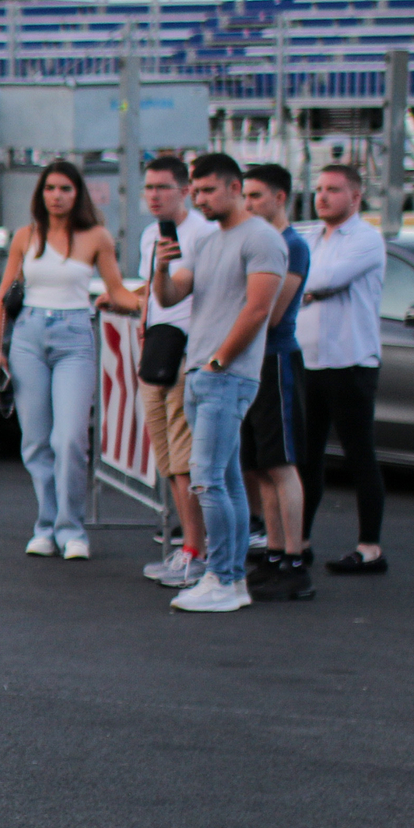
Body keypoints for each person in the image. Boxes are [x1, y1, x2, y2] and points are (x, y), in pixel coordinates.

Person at [0, 159, 142, 559]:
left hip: (74, 335)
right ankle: (45, 524)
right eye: (51, 188)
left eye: (65, 189)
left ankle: (72, 528)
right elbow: (5, 296)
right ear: (41, 193)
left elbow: (117, 290)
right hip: (28, 337)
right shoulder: (25, 236)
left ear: (78, 194)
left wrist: (151, 302)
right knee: (36, 440)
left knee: (70, 437)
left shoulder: (96, 237)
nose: (57, 196)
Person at [152, 154, 286, 613]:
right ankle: (226, 579)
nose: (201, 198)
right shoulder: (209, 243)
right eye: (197, 189)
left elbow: (257, 309)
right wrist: (161, 268)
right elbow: (170, 296)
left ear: (234, 187)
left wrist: (218, 361)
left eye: (209, 190)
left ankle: (224, 579)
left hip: (225, 376)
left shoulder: (263, 239)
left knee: (207, 479)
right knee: (222, 480)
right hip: (201, 375)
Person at [131, 155, 220, 588]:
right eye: (148, 187)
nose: (153, 195)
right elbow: (152, 292)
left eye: (162, 187)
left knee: (185, 460)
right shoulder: (151, 234)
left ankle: (196, 551)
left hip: (189, 350)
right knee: (166, 457)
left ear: (185, 191)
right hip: (155, 349)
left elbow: (178, 293)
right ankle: (186, 547)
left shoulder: (204, 234)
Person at [295, 163, 388, 576]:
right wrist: (306, 287)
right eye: (318, 189)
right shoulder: (309, 236)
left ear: (355, 195)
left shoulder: (367, 238)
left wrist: (305, 285)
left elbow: (327, 278)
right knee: (305, 457)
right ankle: (299, 542)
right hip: (308, 361)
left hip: (350, 362)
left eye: (333, 189)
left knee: (359, 456)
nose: (323, 196)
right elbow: (296, 277)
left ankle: (370, 548)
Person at [239, 166, 314, 601]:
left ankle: (295, 559)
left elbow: (274, 311)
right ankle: (273, 554)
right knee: (260, 465)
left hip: (275, 359)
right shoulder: (255, 241)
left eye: (256, 196)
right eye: (245, 196)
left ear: (280, 197)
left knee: (282, 463)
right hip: (251, 361)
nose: (248, 204)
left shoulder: (293, 245)